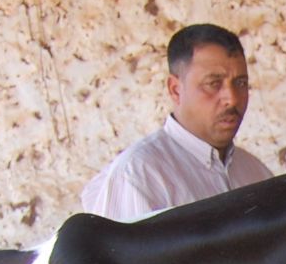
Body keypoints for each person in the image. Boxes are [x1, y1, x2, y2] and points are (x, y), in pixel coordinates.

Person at [81, 24, 273, 221]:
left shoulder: (256, 173)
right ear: (175, 89)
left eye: (240, 83)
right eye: (213, 84)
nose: (231, 99)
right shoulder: (139, 176)